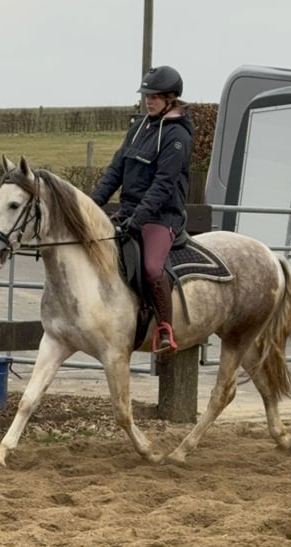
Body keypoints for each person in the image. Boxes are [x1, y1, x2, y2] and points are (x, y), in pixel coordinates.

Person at [91, 65, 193, 354]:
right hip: (130, 213)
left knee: (150, 268)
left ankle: (164, 328)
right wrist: (91, 203)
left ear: (171, 99)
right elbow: (115, 171)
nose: (149, 101)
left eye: (156, 97)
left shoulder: (177, 137)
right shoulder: (138, 129)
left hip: (161, 217)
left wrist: (138, 220)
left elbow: (163, 185)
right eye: (147, 95)